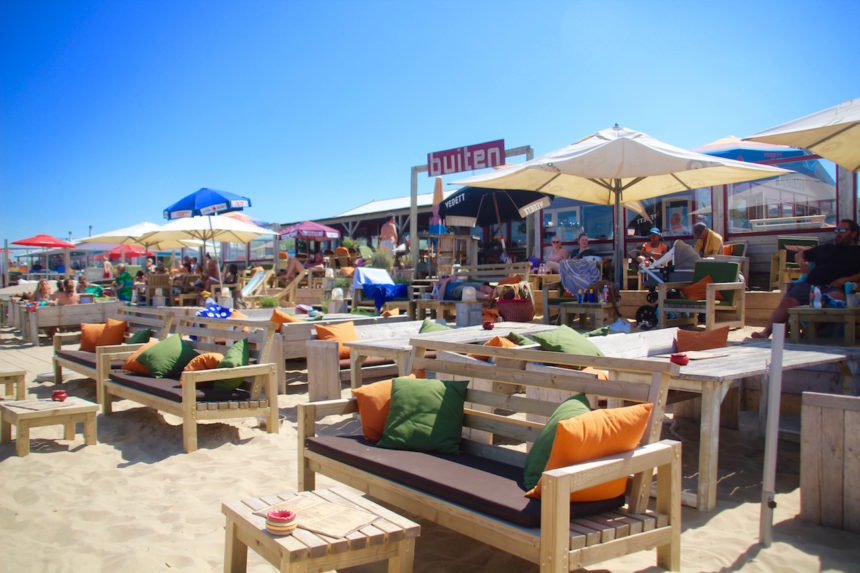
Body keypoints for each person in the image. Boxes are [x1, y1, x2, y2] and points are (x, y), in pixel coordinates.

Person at [753, 219, 860, 339]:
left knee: (834, 300)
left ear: (854, 233)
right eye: (837, 230)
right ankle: (766, 332)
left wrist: (845, 280)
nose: (838, 233)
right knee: (788, 301)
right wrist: (802, 263)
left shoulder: (857, 253)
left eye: (842, 230)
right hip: (810, 285)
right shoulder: (827, 248)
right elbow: (799, 254)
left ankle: (809, 334)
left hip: (833, 287)